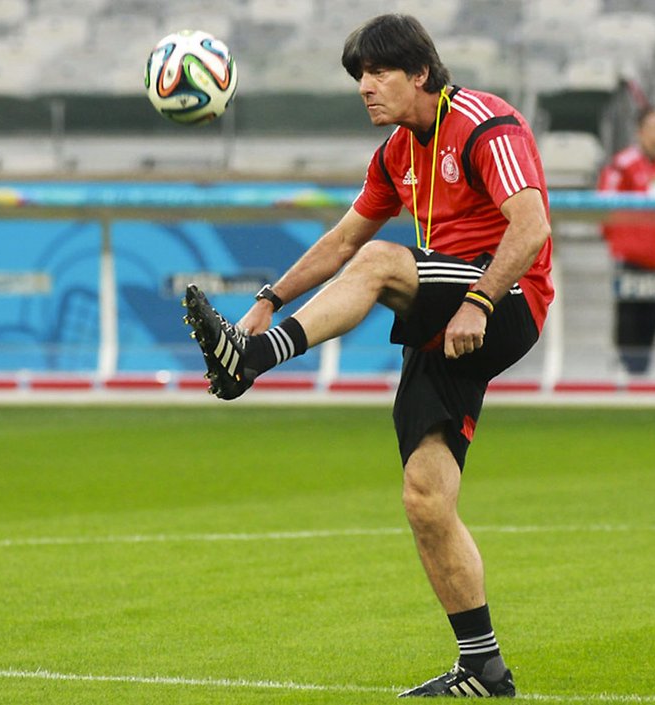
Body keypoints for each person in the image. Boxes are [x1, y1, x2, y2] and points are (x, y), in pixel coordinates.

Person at [182, 14, 552, 698]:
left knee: (386, 261)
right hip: (443, 318)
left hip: (505, 299)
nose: (365, 87)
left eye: (378, 72)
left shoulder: (481, 122)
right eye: (358, 75)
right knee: (425, 500)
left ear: (420, 73)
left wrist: (480, 302)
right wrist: (270, 292)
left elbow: (532, 227)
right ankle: (483, 669)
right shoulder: (395, 153)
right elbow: (344, 237)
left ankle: (254, 360)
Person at [597, 106, 655, 375]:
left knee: (652, 317)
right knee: (628, 314)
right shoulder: (623, 165)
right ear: (640, 131)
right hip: (629, 256)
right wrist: (617, 242)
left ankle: (643, 374)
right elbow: (603, 204)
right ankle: (622, 369)